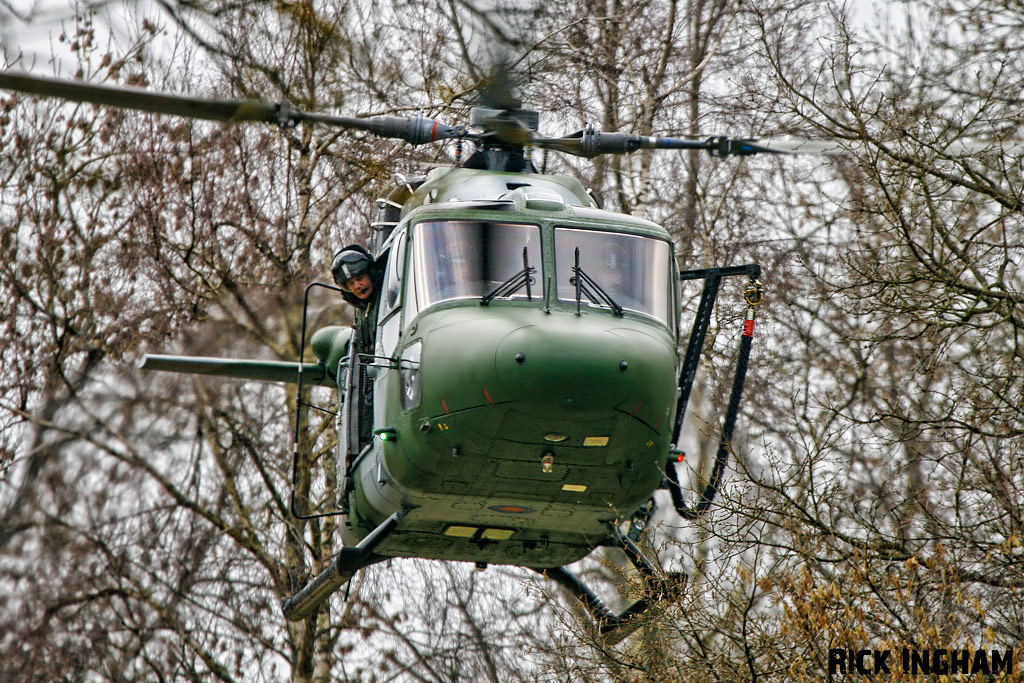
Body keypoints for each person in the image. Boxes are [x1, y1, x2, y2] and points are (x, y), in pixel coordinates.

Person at [331, 244, 385, 353]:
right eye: (351, 283)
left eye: (360, 278)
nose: (357, 286)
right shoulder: (361, 310)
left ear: (371, 274)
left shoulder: (386, 297)